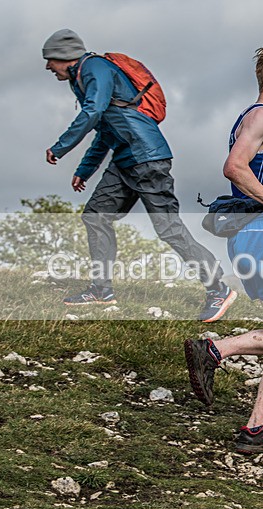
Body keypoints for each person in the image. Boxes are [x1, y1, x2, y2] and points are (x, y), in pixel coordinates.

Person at [42, 29, 236, 322]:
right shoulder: (80, 79)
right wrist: (84, 170)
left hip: (147, 159)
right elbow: (105, 130)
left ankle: (218, 288)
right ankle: (100, 289)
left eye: (50, 60)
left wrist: (60, 147)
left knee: (168, 228)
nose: (47, 67)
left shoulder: (95, 67)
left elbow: (94, 112)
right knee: (95, 216)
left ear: (64, 57)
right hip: (124, 160)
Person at [184, 44, 263, 454]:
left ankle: (214, 350)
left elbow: (257, 170)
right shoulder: (262, 116)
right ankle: (255, 431)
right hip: (261, 234)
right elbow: (234, 167)